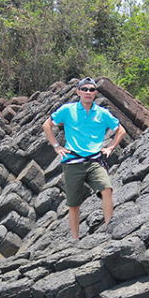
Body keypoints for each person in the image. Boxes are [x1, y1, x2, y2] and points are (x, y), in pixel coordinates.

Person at [42, 77, 126, 239]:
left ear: (95, 93)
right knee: (74, 205)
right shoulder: (67, 110)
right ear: (78, 92)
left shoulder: (102, 113)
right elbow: (47, 125)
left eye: (92, 90)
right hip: (72, 162)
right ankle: (75, 240)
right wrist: (56, 146)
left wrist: (110, 147)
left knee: (106, 190)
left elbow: (120, 130)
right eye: (85, 89)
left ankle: (109, 231)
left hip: (95, 161)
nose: (88, 92)